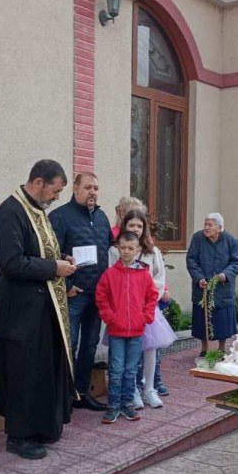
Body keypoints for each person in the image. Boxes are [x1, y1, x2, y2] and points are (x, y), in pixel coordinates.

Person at [0, 160, 77, 460]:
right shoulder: (11, 211)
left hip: (43, 308)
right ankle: (19, 436)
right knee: (23, 371)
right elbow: (11, 262)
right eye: (55, 190)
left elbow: (39, 252)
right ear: (38, 182)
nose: (56, 197)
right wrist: (54, 267)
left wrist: (60, 259)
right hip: (21, 312)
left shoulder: (38, 211)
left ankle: (42, 426)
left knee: (41, 370)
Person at [50, 172, 114, 412]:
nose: (93, 192)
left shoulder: (102, 217)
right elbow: (50, 254)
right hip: (74, 295)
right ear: (75, 188)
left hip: (97, 295)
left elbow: (109, 249)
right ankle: (64, 397)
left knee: (89, 346)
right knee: (69, 345)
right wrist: (66, 286)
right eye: (88, 187)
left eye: (96, 188)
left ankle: (82, 392)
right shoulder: (60, 217)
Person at [108, 209, 175, 408]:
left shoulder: (151, 251)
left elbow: (159, 276)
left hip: (147, 308)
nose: (135, 229)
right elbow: (111, 279)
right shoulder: (115, 251)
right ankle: (133, 390)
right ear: (124, 227)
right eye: (131, 225)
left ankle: (150, 389)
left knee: (149, 349)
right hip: (124, 309)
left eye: (139, 226)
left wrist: (146, 297)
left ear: (144, 228)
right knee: (130, 352)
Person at [96, 231, 158, 424]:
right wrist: (110, 317)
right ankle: (113, 405)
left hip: (137, 332)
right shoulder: (110, 274)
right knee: (116, 370)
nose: (126, 252)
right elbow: (101, 297)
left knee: (131, 370)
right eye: (123, 248)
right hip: (116, 331)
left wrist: (145, 317)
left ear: (138, 250)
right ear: (118, 249)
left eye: (130, 248)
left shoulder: (144, 274)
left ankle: (127, 403)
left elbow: (151, 296)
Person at [186, 213, 238, 355]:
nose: (206, 228)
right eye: (205, 224)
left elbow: (237, 262)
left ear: (219, 227)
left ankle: (221, 349)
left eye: (210, 225)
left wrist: (226, 274)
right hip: (202, 286)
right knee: (202, 319)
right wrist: (199, 278)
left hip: (222, 288)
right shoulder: (198, 238)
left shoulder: (232, 241)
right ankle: (204, 348)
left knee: (222, 321)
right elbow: (191, 260)